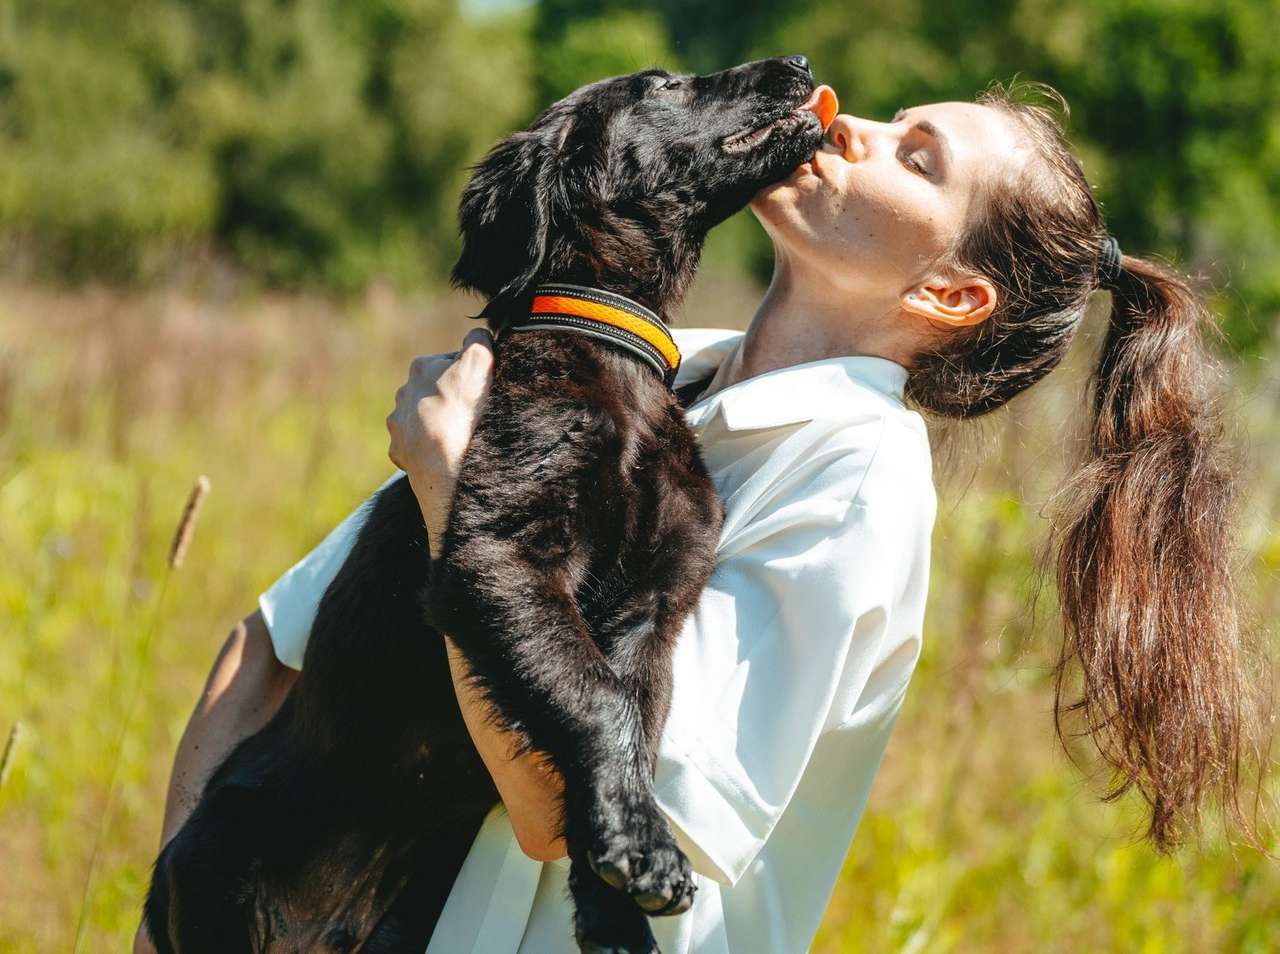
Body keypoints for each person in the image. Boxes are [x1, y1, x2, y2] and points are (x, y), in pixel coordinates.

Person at [136, 85, 1260, 954]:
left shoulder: (852, 481)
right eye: (893, 114)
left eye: (916, 157)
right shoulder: (639, 371)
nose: (848, 124)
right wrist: (165, 923)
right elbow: (266, 645)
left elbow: (572, 812)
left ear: (947, 295)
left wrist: (449, 496)